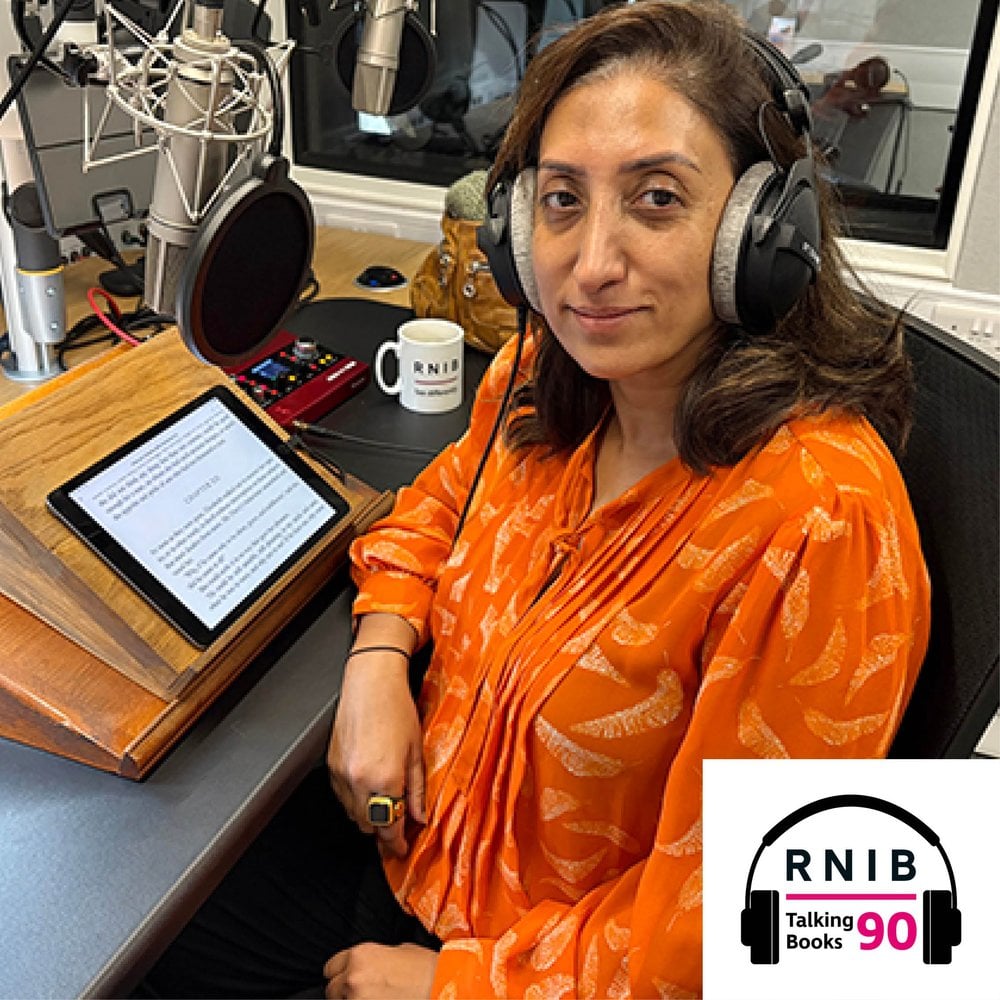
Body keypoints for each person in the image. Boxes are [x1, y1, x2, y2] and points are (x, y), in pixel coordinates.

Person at [139, 2, 930, 997]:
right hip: (409, 858)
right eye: (561, 201)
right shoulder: (538, 377)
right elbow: (431, 511)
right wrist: (381, 656)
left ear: (762, 232)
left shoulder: (820, 515)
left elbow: (758, 921)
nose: (591, 265)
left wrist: (456, 986)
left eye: (654, 200)